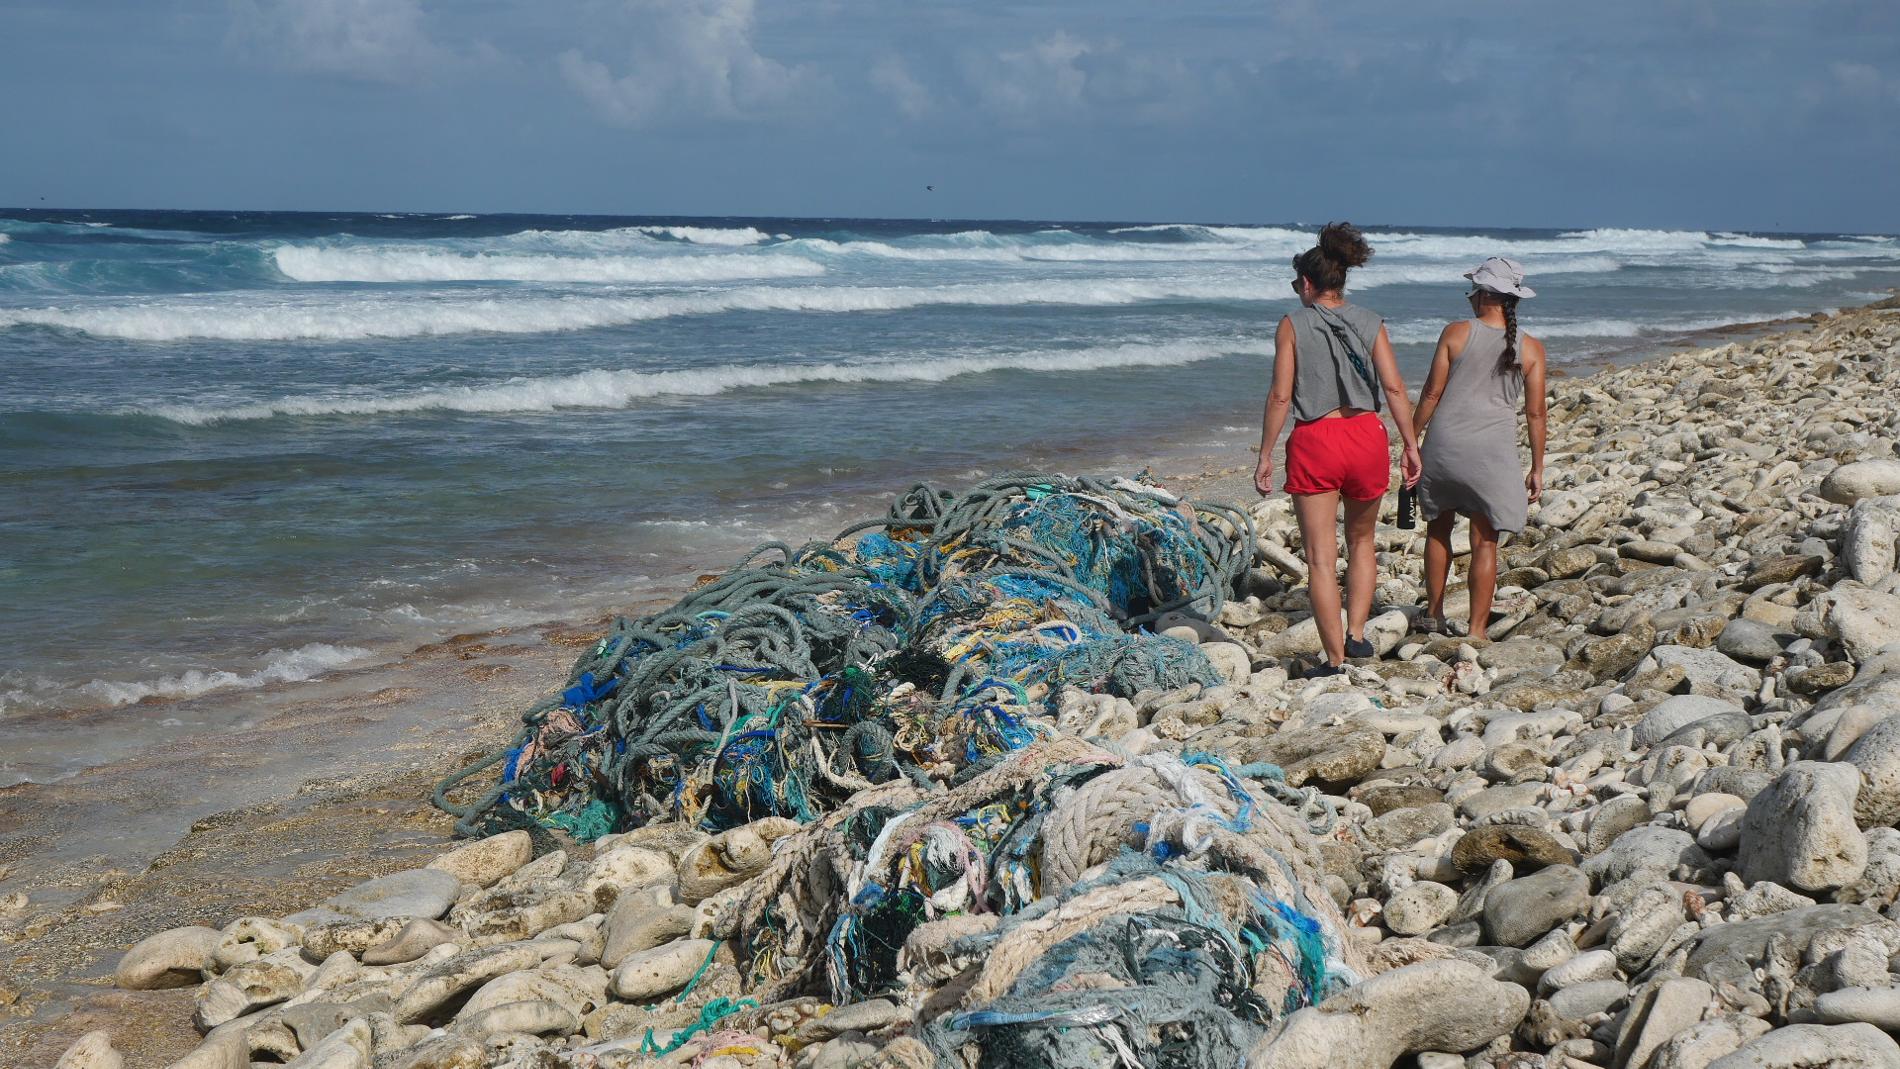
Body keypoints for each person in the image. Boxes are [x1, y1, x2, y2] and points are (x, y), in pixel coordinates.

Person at [1255, 223, 1423, 677]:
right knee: (1363, 541)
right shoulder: (1371, 321)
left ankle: (1334, 661)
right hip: (1367, 434)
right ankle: (1358, 636)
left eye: (1296, 284)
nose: (1296, 292)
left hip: (1317, 439)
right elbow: (1393, 386)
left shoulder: (1292, 324)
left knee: (1321, 559)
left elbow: (1280, 396)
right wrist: (1410, 444)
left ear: (1308, 284)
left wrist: (1266, 454)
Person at [1413, 256, 1548, 640]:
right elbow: (1536, 414)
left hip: (1444, 446)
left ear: (1485, 294)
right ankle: (1476, 631)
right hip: (1492, 454)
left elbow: (1431, 394)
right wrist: (1537, 467)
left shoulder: (1455, 333)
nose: (1470, 296)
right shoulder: (1532, 348)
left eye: (1473, 289)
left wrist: (1409, 438)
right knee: (1484, 540)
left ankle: (1434, 616)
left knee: (1438, 528)